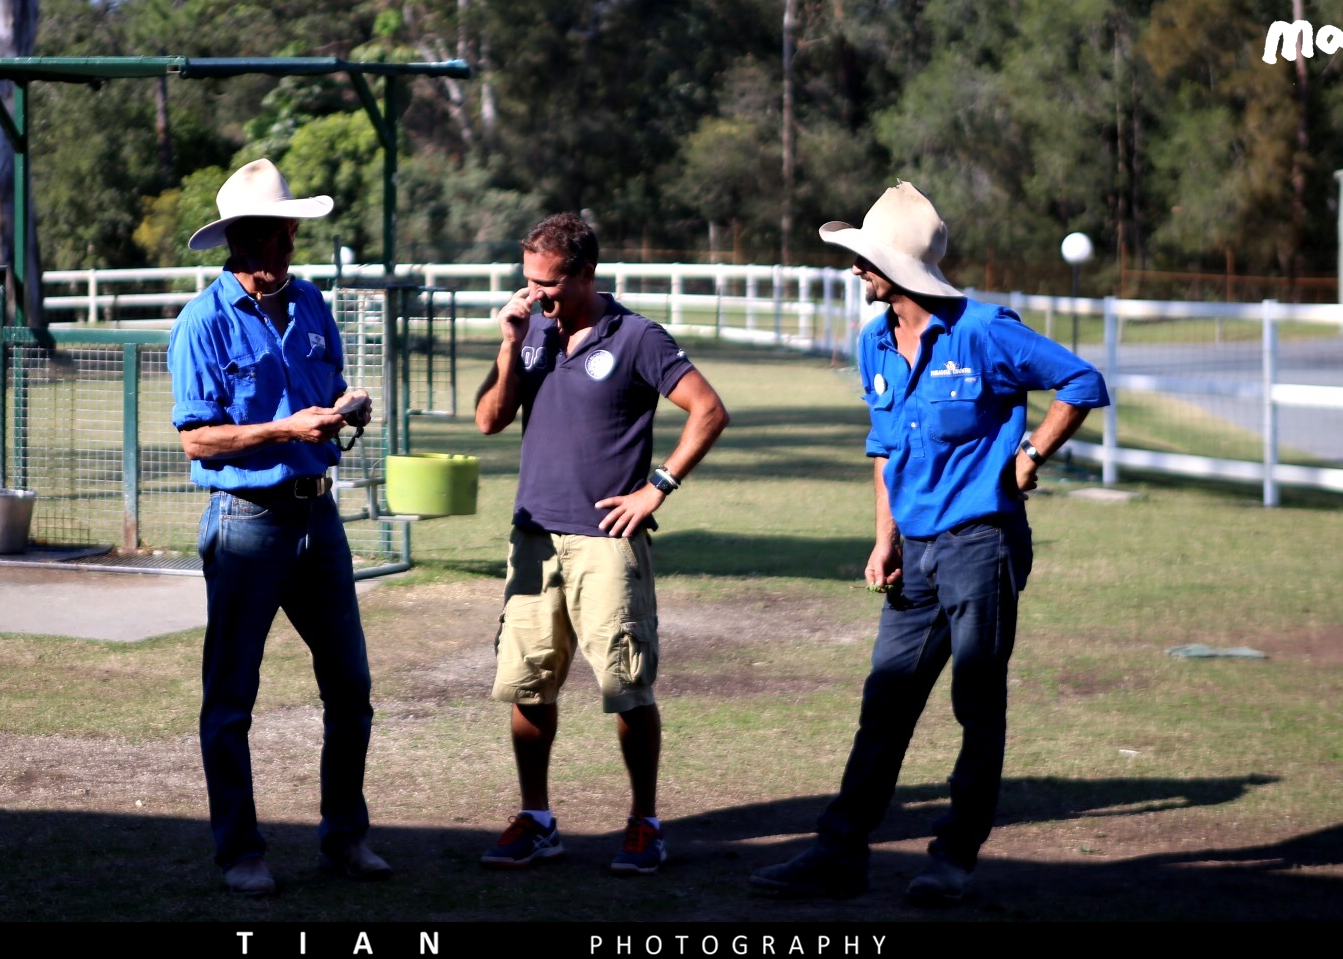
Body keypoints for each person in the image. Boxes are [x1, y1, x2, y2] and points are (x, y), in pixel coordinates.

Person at [751, 182, 1108, 906]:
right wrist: (882, 539)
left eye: (866, 258)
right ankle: (839, 852)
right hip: (913, 551)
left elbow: (1081, 380)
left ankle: (954, 857)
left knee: (976, 704)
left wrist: (1032, 454)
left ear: (899, 268)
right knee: (885, 701)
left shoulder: (983, 330)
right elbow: (886, 449)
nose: (856, 269)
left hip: (983, 542)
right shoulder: (873, 340)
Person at [474, 212, 731, 875]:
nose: (536, 295)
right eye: (528, 280)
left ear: (586, 274)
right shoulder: (529, 329)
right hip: (534, 539)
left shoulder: (639, 338)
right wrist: (509, 343)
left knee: (627, 687)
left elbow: (709, 410)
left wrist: (658, 486)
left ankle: (644, 822)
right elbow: (489, 420)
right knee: (528, 686)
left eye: (550, 284)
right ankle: (536, 819)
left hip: (607, 545)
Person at [167, 157, 385, 897]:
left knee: (350, 687)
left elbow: (325, 394)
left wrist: (346, 408)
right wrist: (282, 428)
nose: (291, 240)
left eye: (293, 228)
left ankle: (346, 838)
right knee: (231, 697)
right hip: (247, 523)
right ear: (243, 238)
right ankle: (241, 852)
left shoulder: (313, 304)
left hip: (317, 518)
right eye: (279, 230)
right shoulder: (202, 322)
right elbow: (197, 440)